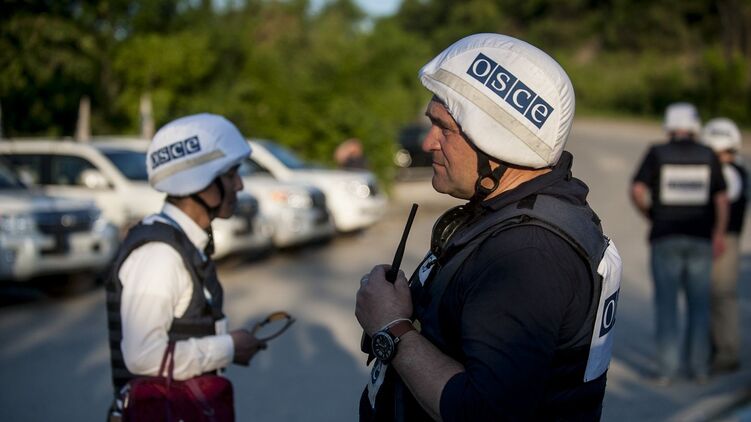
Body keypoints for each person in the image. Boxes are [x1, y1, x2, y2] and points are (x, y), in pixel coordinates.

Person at [356, 33, 622, 421]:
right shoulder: (518, 214)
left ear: (498, 143)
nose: (429, 143)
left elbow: (483, 412)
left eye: (443, 128)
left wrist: (392, 328)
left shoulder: (529, 252)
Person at [106, 113, 266, 418]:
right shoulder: (160, 256)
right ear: (199, 181)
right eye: (231, 174)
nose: (240, 184)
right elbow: (143, 356)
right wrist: (229, 347)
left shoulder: (183, 242)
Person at [630, 103, 729, 384]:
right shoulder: (708, 154)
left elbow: (637, 189)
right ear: (694, 127)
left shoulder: (657, 152)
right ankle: (699, 369)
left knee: (667, 306)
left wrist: (651, 215)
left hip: (665, 236)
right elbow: (721, 199)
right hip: (700, 238)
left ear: (670, 127)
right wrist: (719, 233)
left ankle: (666, 371)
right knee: (699, 305)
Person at [701, 117, 747, 374]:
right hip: (722, 238)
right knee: (715, 295)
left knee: (722, 295)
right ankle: (718, 348)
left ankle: (727, 353)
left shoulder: (729, 173)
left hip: (724, 239)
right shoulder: (735, 169)